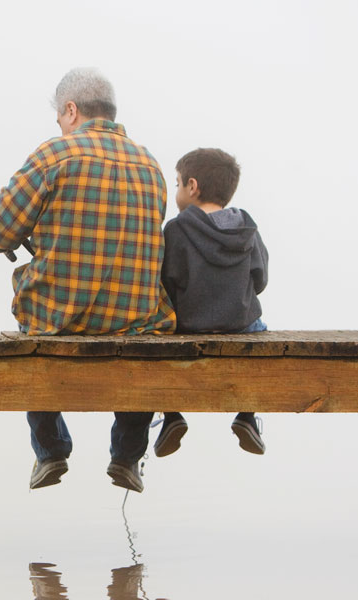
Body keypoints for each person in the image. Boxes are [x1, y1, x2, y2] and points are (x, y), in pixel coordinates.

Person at [0, 68, 175, 493]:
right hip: (134, 322)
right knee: (146, 332)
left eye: (59, 117)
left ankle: (50, 450)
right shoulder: (151, 166)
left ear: (71, 110)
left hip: (57, 319)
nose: (59, 126)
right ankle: (126, 455)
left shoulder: (55, 154)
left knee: (30, 327)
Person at [151, 148, 270, 457]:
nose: (176, 191)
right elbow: (261, 278)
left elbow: (166, 282)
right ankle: (247, 414)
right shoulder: (247, 227)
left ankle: (171, 415)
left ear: (192, 186)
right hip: (240, 325)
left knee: (155, 339)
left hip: (189, 326)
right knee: (261, 333)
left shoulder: (176, 230)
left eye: (177, 184)